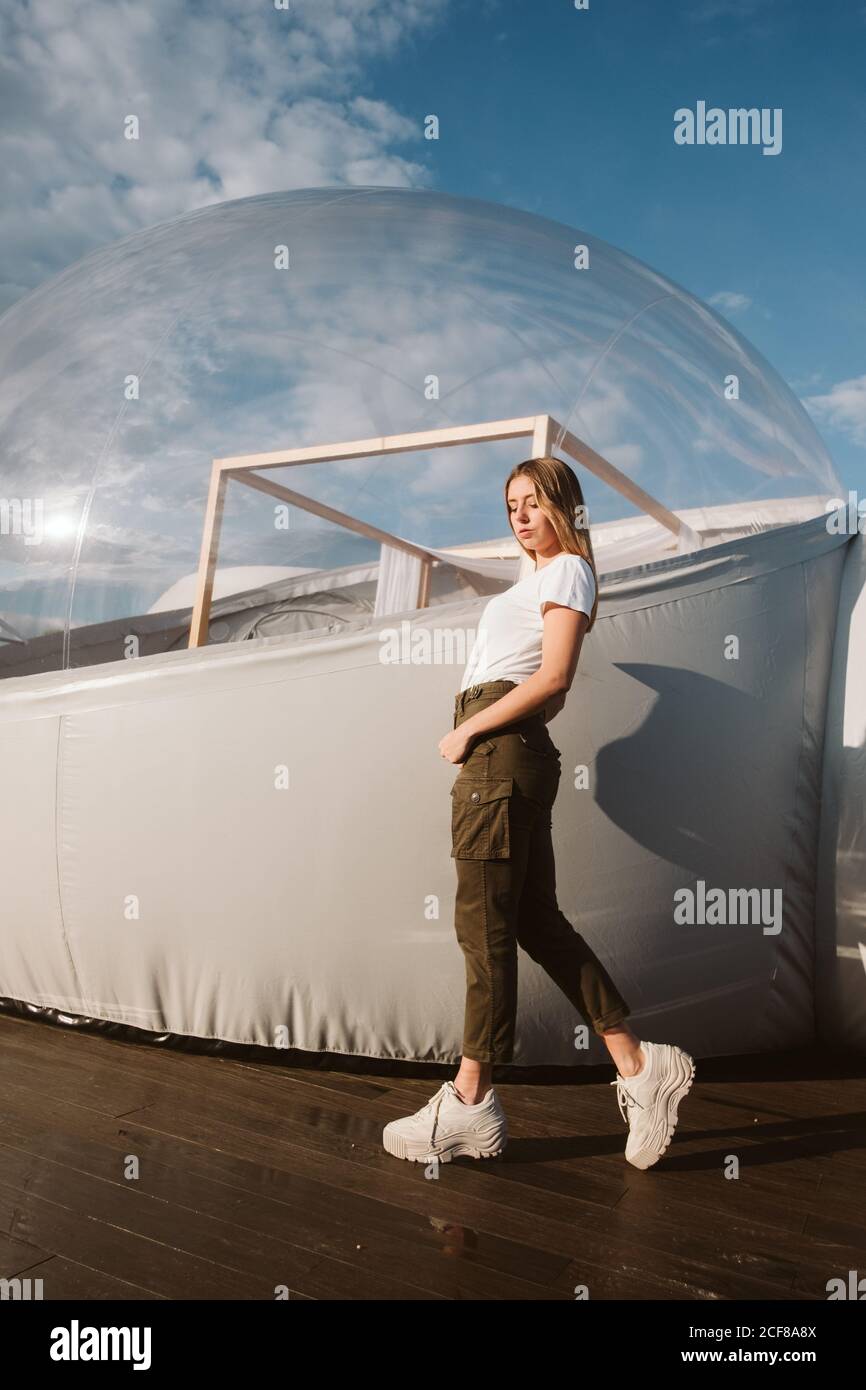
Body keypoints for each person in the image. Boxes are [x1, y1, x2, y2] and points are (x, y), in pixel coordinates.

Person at [382, 455, 695, 1171]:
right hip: (509, 752)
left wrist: (470, 729)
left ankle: (468, 1104)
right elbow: (546, 693)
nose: (520, 516)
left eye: (533, 501)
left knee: (483, 927)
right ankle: (640, 1068)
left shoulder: (569, 572)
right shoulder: (539, 582)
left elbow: (555, 680)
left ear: (564, 506)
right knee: (532, 921)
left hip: (496, 754)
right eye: (510, 505)